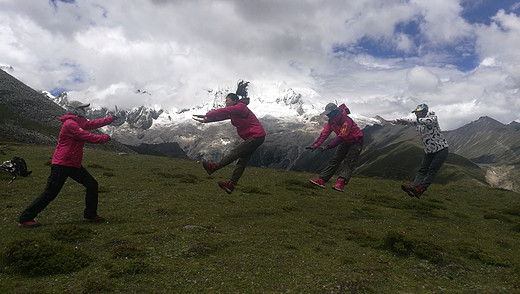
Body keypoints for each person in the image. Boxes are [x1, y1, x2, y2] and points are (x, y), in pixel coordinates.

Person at [18, 100, 115, 228]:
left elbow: (92, 124)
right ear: (75, 110)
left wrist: (111, 119)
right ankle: (26, 218)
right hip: (62, 164)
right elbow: (86, 136)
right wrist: (105, 138)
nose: (84, 111)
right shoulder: (70, 124)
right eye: (82, 108)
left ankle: (90, 214)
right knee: (50, 192)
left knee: (92, 184)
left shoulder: (77, 122)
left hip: (72, 163)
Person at [193, 81, 266, 194]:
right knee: (242, 161)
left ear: (234, 101)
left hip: (255, 136)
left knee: (235, 153)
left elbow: (224, 111)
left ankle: (214, 167)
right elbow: (224, 116)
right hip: (256, 137)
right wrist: (207, 120)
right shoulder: (236, 110)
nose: (226, 103)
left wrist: (208, 114)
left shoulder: (240, 108)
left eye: (227, 100)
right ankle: (231, 185)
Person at [388, 103, 449, 198]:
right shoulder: (418, 122)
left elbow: (423, 121)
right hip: (429, 151)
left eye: (418, 112)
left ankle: (421, 189)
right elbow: (408, 121)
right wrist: (395, 121)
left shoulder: (432, 118)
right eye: (416, 113)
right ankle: (413, 187)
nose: (416, 114)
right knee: (422, 169)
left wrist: (411, 121)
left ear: (423, 112)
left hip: (441, 149)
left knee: (432, 170)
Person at [308, 103, 364, 192]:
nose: (328, 115)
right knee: (335, 160)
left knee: (349, 161)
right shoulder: (331, 122)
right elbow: (324, 133)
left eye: (329, 114)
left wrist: (327, 147)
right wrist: (315, 145)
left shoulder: (346, 121)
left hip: (356, 141)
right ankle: (322, 180)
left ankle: (341, 183)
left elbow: (342, 136)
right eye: (327, 114)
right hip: (345, 141)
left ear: (335, 112)